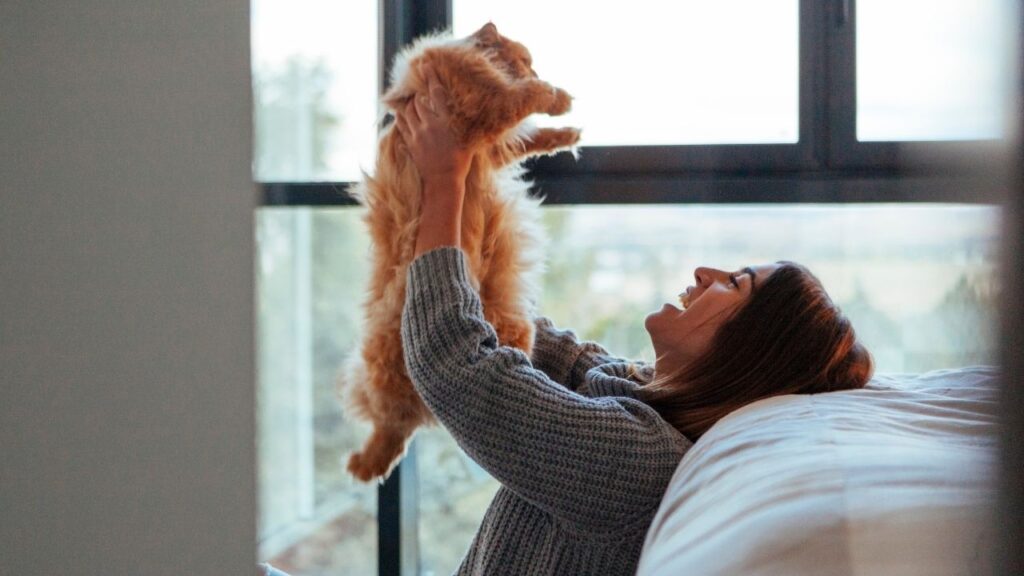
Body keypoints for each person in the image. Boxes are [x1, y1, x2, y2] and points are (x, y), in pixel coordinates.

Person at [391, 65, 874, 576]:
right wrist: (472, 166)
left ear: (749, 348)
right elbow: (523, 331)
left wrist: (443, 180)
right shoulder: (636, 390)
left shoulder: (639, 460)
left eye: (734, 284)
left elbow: (457, 364)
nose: (704, 272)